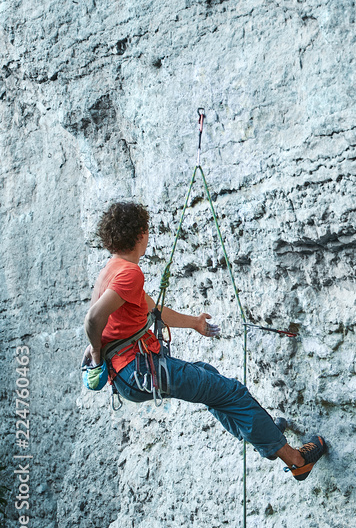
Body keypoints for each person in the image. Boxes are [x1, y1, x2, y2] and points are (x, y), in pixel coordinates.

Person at [82, 201, 326, 481]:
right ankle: (297, 460)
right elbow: (92, 320)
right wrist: (98, 353)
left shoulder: (111, 270)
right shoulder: (130, 273)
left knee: (207, 376)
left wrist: (196, 323)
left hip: (130, 375)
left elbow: (154, 311)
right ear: (141, 233)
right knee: (232, 392)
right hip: (140, 370)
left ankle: (265, 433)